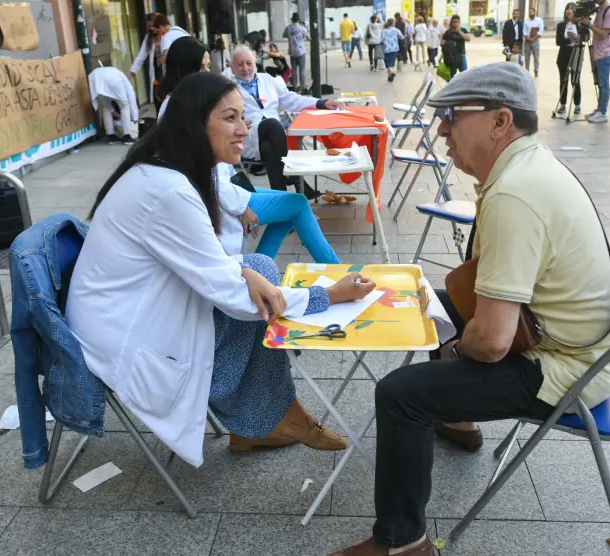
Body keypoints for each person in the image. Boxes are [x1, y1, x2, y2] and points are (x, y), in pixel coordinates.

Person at [329, 62, 610, 556]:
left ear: (500, 121)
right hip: (565, 340)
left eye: (451, 115)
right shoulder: (527, 166)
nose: (441, 128)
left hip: (565, 366)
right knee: (431, 310)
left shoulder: (515, 191)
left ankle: (402, 543)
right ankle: (458, 421)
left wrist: (452, 351)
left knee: (400, 394)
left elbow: (489, 344)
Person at [68, 73, 378, 466]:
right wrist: (329, 295)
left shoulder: (167, 171)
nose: (243, 129)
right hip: (126, 339)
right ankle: (275, 418)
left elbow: (201, 261)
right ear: (195, 124)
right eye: (230, 118)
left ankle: (265, 420)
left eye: (242, 117)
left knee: (258, 267)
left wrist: (245, 272)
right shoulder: (168, 190)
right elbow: (234, 299)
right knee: (256, 304)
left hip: (133, 312)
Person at [158, 39, 340, 263]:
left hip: (231, 182)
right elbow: (198, 171)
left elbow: (291, 100)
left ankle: (257, 270)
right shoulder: (181, 109)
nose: (207, 71)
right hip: (217, 195)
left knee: (292, 203)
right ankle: (336, 269)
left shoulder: (187, 101)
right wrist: (240, 206)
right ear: (187, 67)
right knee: (297, 204)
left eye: (208, 66)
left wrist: (320, 103)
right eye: (204, 66)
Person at [225, 46, 348, 191]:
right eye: (239, 64)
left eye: (249, 63)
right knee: (272, 124)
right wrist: (232, 123)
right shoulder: (226, 88)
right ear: (232, 67)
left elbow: (291, 99)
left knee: (269, 148)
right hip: (247, 136)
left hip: (272, 140)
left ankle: (282, 196)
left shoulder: (267, 80)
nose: (245, 68)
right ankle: (295, 178)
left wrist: (322, 103)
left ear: (255, 63)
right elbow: (218, 115)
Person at [582, 0, 610, 122]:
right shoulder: (599, 9)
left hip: (605, 52)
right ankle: (599, 109)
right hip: (598, 51)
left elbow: (604, 33)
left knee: (604, 84)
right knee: (600, 83)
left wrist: (589, 25)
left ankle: (603, 113)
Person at [89, 66, 139, 145]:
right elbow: (131, 98)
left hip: (95, 77)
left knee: (106, 107)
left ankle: (111, 136)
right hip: (110, 79)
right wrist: (135, 118)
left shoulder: (118, 73)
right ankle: (127, 136)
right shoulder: (127, 85)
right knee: (124, 106)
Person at [556, 3, 584, 115]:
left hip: (576, 52)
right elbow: (558, 41)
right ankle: (563, 104)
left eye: (572, 9)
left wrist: (577, 38)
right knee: (563, 79)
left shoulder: (580, 25)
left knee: (575, 80)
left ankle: (577, 104)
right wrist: (569, 39)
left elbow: (585, 38)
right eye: (567, 8)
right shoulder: (560, 25)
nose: (569, 11)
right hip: (564, 54)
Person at [130, 14, 162, 105]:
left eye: (153, 25)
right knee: (157, 97)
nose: (152, 28)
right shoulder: (149, 37)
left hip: (166, 69)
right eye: (150, 26)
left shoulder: (167, 35)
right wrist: (134, 69)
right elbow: (142, 54)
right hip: (156, 71)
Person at [284, 13, 310, 91]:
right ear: (299, 20)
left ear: (292, 19)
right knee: (302, 70)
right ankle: (302, 86)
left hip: (292, 52)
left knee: (294, 70)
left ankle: (295, 86)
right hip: (301, 51)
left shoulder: (288, 28)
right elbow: (309, 38)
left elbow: (284, 35)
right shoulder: (302, 28)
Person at [523, 7, 545, 77]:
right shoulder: (526, 22)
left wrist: (533, 38)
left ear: (534, 12)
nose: (530, 13)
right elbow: (524, 31)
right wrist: (528, 38)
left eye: (532, 12)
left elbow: (541, 31)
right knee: (527, 57)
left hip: (535, 41)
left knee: (536, 56)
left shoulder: (539, 20)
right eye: (529, 12)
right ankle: (526, 70)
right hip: (527, 41)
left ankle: (536, 70)